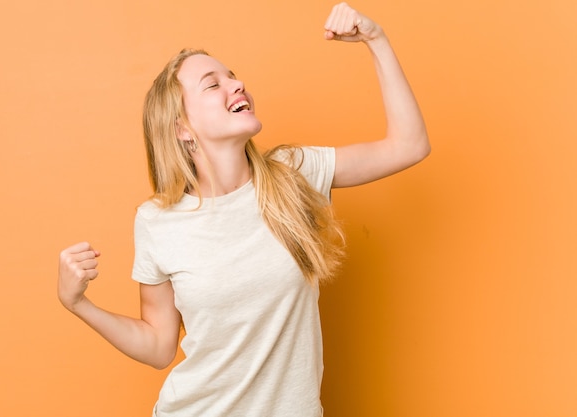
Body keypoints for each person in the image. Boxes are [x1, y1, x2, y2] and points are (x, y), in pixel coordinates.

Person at [57, 2, 430, 416]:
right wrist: (78, 304)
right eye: (212, 84)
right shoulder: (157, 221)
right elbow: (159, 346)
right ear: (182, 127)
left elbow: (409, 145)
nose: (237, 85)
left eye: (233, 76)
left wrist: (375, 40)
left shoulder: (293, 173)